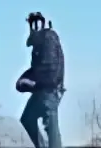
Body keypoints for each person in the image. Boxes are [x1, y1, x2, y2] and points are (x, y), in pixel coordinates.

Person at [17, 12, 64, 148]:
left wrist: (36, 83)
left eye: (38, 22)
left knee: (51, 126)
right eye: (32, 23)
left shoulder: (48, 38)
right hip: (40, 90)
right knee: (27, 119)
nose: (35, 26)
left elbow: (52, 67)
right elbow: (38, 68)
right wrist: (24, 80)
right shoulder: (39, 43)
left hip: (49, 90)